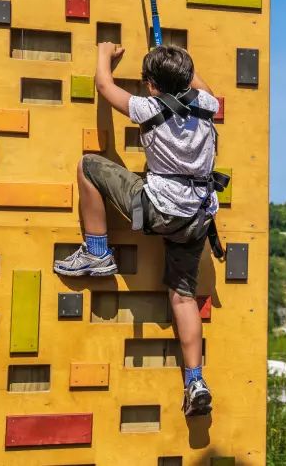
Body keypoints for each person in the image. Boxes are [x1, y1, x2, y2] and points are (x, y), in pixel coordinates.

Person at [53, 41, 219, 416]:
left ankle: (97, 251)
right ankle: (195, 381)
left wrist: (103, 53)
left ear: (149, 85)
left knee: (88, 166)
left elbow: (104, 87)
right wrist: (173, 62)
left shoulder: (148, 107)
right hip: (197, 217)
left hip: (160, 210)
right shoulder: (208, 105)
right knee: (182, 297)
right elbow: (200, 84)